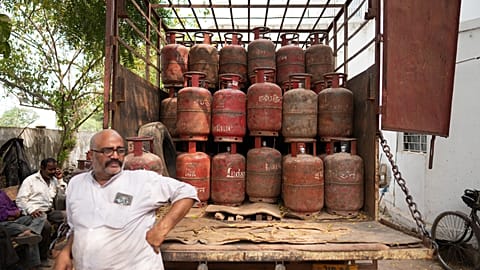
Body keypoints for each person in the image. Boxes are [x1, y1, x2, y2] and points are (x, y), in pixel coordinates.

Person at [54, 129, 198, 270]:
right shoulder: (76, 184)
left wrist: (162, 229)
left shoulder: (141, 180)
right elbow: (78, 228)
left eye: (120, 150)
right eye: (108, 151)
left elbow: (187, 192)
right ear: (91, 155)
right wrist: (66, 252)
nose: (115, 156)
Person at [16, 158, 66, 263]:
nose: (53, 172)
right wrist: (31, 210)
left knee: (70, 217)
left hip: (49, 211)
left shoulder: (54, 180)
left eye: (54, 169)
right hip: (34, 214)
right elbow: (20, 200)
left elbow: (65, 195)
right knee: (46, 226)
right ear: (42, 168)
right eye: (50, 170)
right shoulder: (30, 180)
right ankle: (43, 257)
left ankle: (50, 246)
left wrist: (61, 180)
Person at [0, 189, 44, 269]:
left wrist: (17, 211)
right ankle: (34, 265)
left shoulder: (2, 193)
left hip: (15, 220)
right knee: (27, 232)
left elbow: (13, 205)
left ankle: (29, 232)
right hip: (3, 224)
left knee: (40, 216)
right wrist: (11, 214)